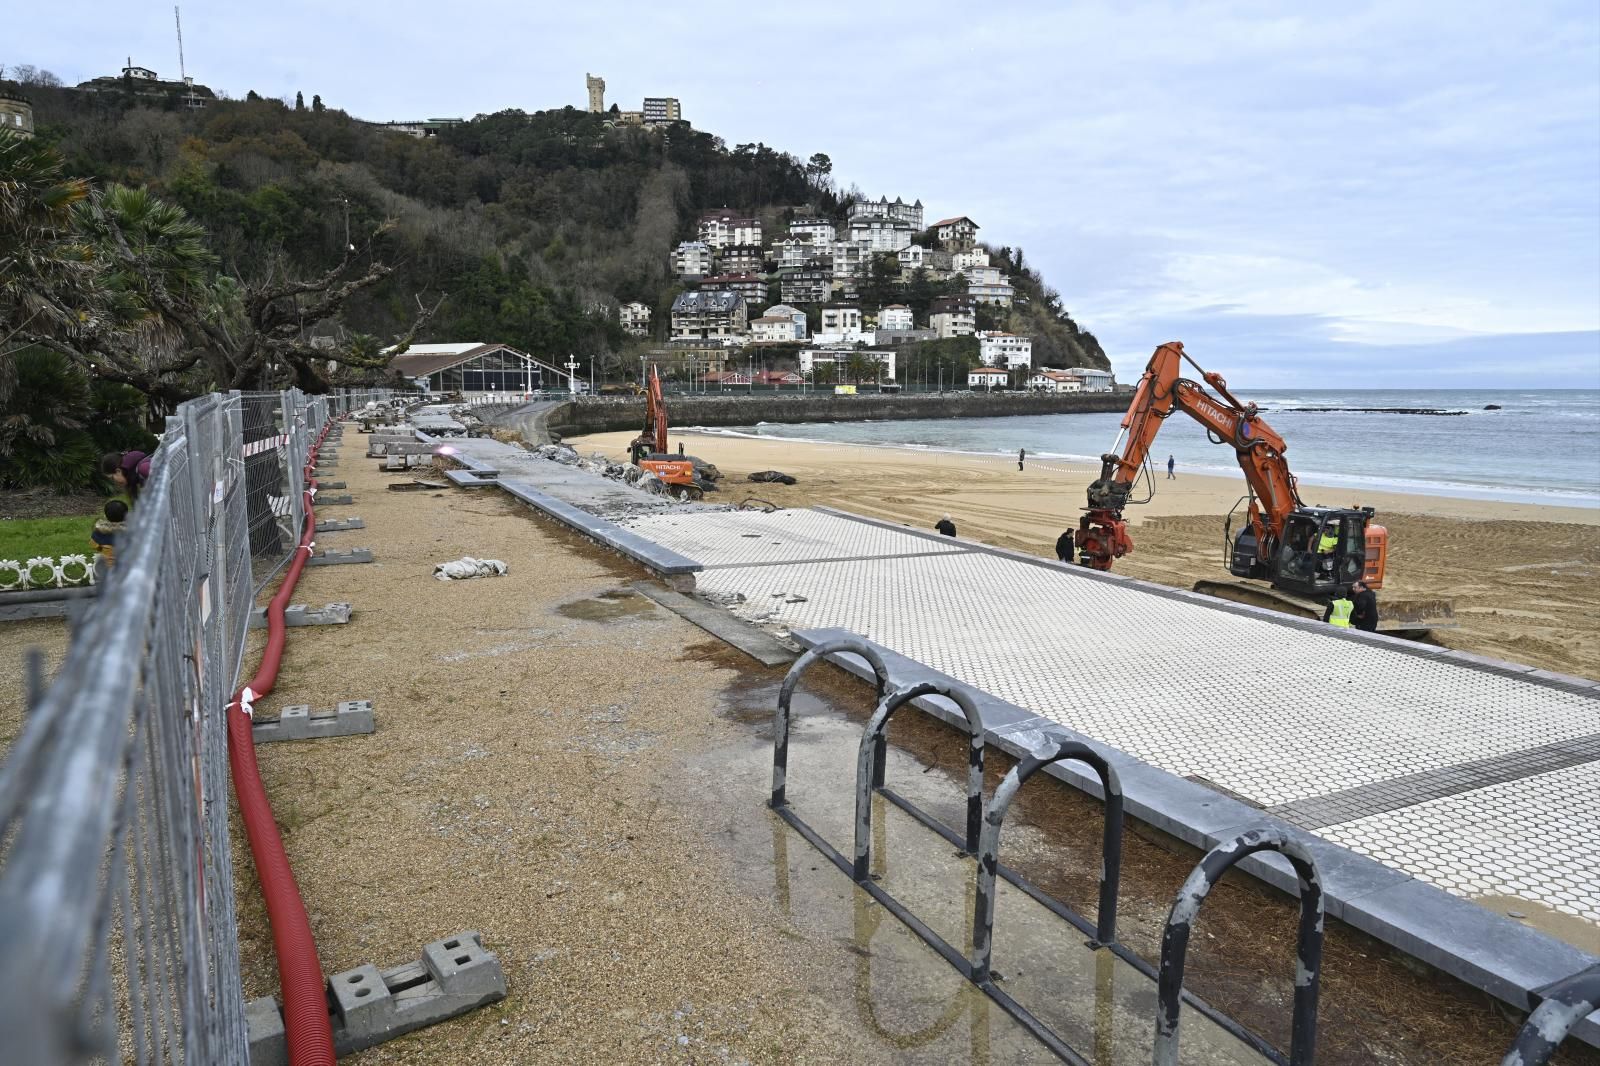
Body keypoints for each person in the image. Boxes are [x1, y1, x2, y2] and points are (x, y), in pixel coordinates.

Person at [90, 499, 128, 567]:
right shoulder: (131, 530)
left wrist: (102, 548)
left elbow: (93, 544)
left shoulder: (100, 531)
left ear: (106, 516)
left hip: (107, 563)